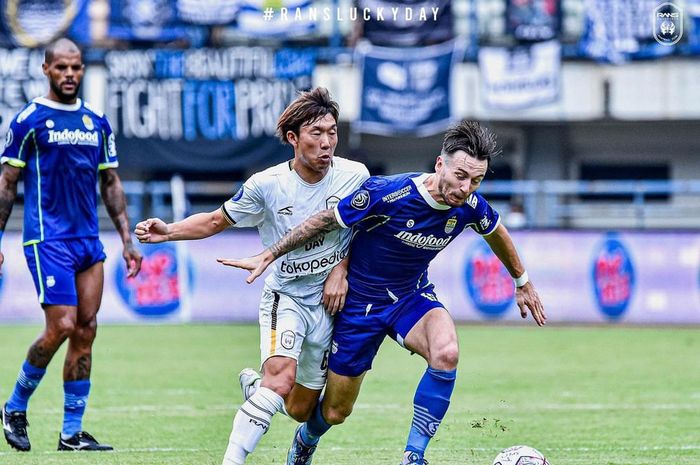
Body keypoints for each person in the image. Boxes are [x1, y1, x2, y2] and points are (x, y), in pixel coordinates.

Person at [219, 120, 547, 465]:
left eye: (476, 181)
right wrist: (277, 256)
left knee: (447, 352)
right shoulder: (388, 193)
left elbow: (495, 231)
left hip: (411, 297)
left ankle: (413, 456)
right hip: (359, 306)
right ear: (440, 164)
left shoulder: (470, 206)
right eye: (461, 176)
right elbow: (328, 222)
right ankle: (304, 437)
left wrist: (522, 281)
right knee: (331, 412)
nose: (466, 188)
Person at [134, 87, 369, 465]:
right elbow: (215, 220)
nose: (327, 143)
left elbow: (364, 230)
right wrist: (169, 230)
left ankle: (256, 387)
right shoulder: (267, 184)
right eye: (316, 133)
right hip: (286, 297)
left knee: (298, 408)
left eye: (332, 132)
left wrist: (341, 269)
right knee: (280, 381)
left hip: (330, 304)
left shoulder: (355, 175)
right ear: (293, 138)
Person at [0, 38, 142, 452]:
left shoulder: (96, 120)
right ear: (46, 69)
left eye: (76, 67)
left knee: (86, 328)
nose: (69, 74)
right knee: (61, 325)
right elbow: (7, 183)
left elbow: (110, 182)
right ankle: (14, 405)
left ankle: (71, 433)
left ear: (83, 70)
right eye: (61, 67)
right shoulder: (29, 120)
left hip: (87, 241)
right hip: (47, 240)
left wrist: (127, 240)